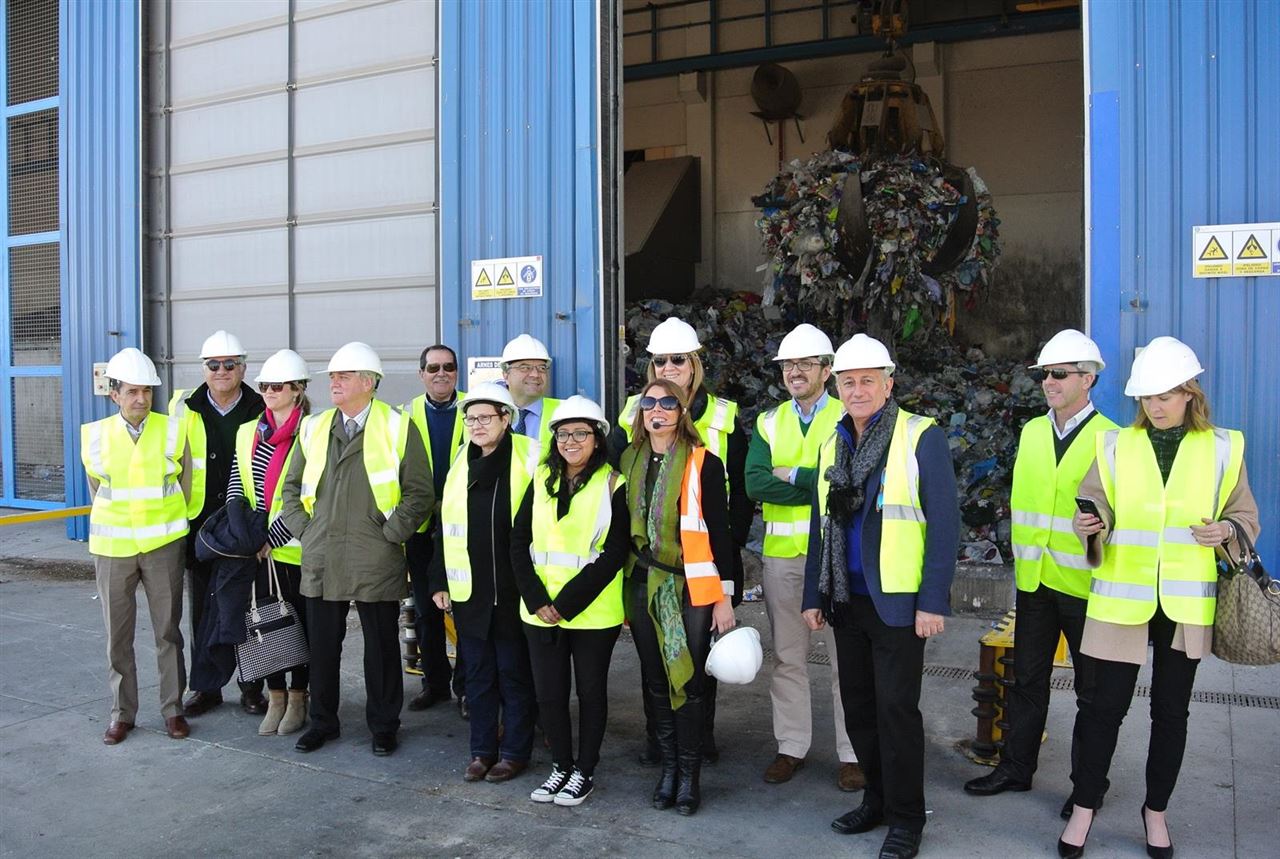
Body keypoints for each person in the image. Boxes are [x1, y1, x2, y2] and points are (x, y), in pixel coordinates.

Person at [1061, 336, 1259, 859]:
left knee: (1171, 715)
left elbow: (1244, 516)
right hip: (1122, 598)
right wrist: (1092, 523)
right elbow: (1096, 504)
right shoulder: (1114, 446)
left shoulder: (1224, 447)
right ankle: (1084, 807)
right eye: (1146, 397)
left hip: (1184, 603)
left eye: (1165, 396)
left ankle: (1156, 813)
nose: (1154, 406)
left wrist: (1226, 531)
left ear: (1190, 393)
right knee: (1103, 709)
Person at [803, 334, 959, 859]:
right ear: (836, 387)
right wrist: (814, 594)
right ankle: (876, 799)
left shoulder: (920, 436)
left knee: (896, 712)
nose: (857, 390)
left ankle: (907, 818)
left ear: (888, 385)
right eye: (848, 382)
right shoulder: (833, 442)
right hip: (846, 599)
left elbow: (944, 524)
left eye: (868, 380)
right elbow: (820, 526)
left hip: (898, 602)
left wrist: (932, 601)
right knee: (859, 711)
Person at [964, 329, 1117, 816]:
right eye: (1044, 374)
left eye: (1059, 374)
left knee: (1092, 693)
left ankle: (1086, 787)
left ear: (1088, 379)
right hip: (1034, 581)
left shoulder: (1111, 440)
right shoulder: (1032, 431)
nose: (1048, 382)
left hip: (1085, 586)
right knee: (1026, 680)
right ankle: (1015, 767)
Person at [280, 342, 433, 756]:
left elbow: (420, 492)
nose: (334, 383)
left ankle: (384, 726)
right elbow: (290, 489)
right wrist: (307, 531)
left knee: (381, 648)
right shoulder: (314, 427)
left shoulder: (397, 426)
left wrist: (391, 534)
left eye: (343, 376)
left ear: (368, 382)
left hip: (375, 554)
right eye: (332, 377)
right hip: (323, 553)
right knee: (322, 647)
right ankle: (322, 723)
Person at [610, 317, 751, 765]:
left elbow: (740, 493)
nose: (668, 367)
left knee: (699, 662)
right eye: (659, 361)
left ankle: (697, 741)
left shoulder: (724, 417)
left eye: (678, 359)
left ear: (694, 365)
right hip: (650, 566)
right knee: (654, 661)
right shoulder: (632, 412)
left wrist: (724, 551)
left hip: (706, 561)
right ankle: (661, 742)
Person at [745, 324, 863, 792]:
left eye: (805, 364)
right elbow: (754, 482)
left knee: (845, 660)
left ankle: (853, 754)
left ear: (826, 370)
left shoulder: (847, 415)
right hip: (783, 558)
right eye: (788, 365)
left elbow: (849, 482)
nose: (795, 371)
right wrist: (817, 482)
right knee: (788, 658)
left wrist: (792, 474)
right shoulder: (769, 421)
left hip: (835, 556)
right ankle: (790, 746)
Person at [619, 378, 737, 816]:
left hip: (691, 587)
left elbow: (721, 532)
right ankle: (668, 771)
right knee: (655, 680)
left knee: (686, 682)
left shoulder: (705, 462)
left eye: (668, 402)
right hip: (640, 584)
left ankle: (689, 777)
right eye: (649, 402)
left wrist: (725, 596)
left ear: (682, 411)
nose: (658, 409)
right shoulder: (628, 459)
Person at [511, 396, 630, 807]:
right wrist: (537, 598)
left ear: (597, 439)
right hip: (539, 611)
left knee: (591, 693)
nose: (571, 441)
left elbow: (614, 552)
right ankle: (560, 766)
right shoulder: (540, 477)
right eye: (563, 434)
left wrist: (564, 604)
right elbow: (518, 541)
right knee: (549, 694)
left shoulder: (613, 484)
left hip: (592, 613)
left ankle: (584, 770)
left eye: (581, 433)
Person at [429, 382, 542, 784]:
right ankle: (481, 751)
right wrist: (440, 579)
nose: (476, 425)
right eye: (470, 418)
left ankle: (514, 752)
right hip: (471, 593)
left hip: (515, 590)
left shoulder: (531, 456)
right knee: (477, 675)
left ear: (506, 418)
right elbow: (445, 527)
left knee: (514, 674)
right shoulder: (461, 461)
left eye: (485, 417)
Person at [82, 348, 193, 744]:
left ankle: (173, 710)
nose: (141, 399)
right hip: (113, 550)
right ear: (114, 394)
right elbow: (98, 490)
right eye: (132, 391)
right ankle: (122, 714)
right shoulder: (95, 436)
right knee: (118, 636)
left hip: (163, 546)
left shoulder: (173, 431)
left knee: (168, 632)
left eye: (146, 391)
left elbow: (185, 485)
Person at [170, 330, 267, 718]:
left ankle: (251, 686)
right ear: (203, 369)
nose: (221, 371)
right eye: (214, 365)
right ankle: (207, 687)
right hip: (202, 529)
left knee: (249, 606)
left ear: (243, 368)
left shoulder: (260, 407)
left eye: (230, 364)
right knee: (203, 611)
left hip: (246, 528)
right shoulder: (184, 408)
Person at [225, 349, 312, 737]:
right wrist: (245, 533)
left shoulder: (312, 432)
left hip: (296, 548)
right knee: (264, 624)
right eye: (264, 386)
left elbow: (311, 494)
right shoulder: (248, 431)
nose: (269, 392)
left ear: (297, 389)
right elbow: (237, 483)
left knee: (299, 626)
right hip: (257, 549)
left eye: (277, 386)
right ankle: (275, 696)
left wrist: (272, 538)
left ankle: (298, 697)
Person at [401, 344, 468, 716]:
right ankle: (436, 684)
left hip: (464, 526)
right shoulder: (405, 414)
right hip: (421, 526)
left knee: (467, 610)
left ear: (456, 371)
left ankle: (467, 688)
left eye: (448, 367)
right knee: (427, 610)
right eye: (433, 368)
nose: (441, 373)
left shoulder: (474, 407)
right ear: (421, 374)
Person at [501, 334, 562, 447]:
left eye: (542, 368)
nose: (535, 374)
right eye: (525, 368)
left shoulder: (563, 411)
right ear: (505, 374)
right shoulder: (487, 415)